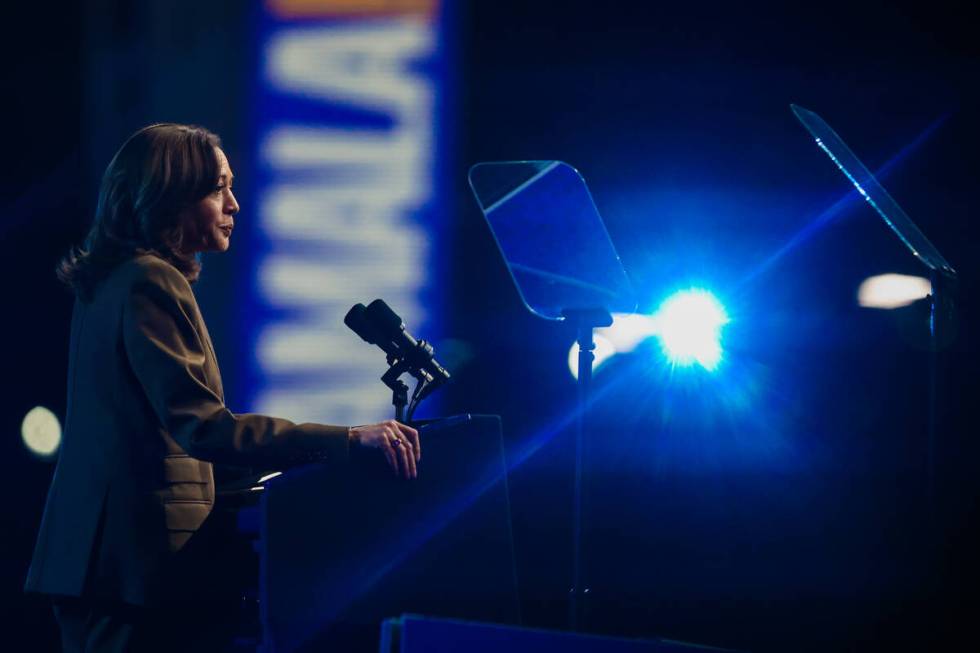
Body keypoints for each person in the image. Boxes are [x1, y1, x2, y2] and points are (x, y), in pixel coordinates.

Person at [24, 123, 420, 652]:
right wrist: (346, 440)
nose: (234, 203)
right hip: (135, 571)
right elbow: (203, 428)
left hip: (106, 565)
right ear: (169, 196)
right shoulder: (149, 280)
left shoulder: (114, 279)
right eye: (218, 188)